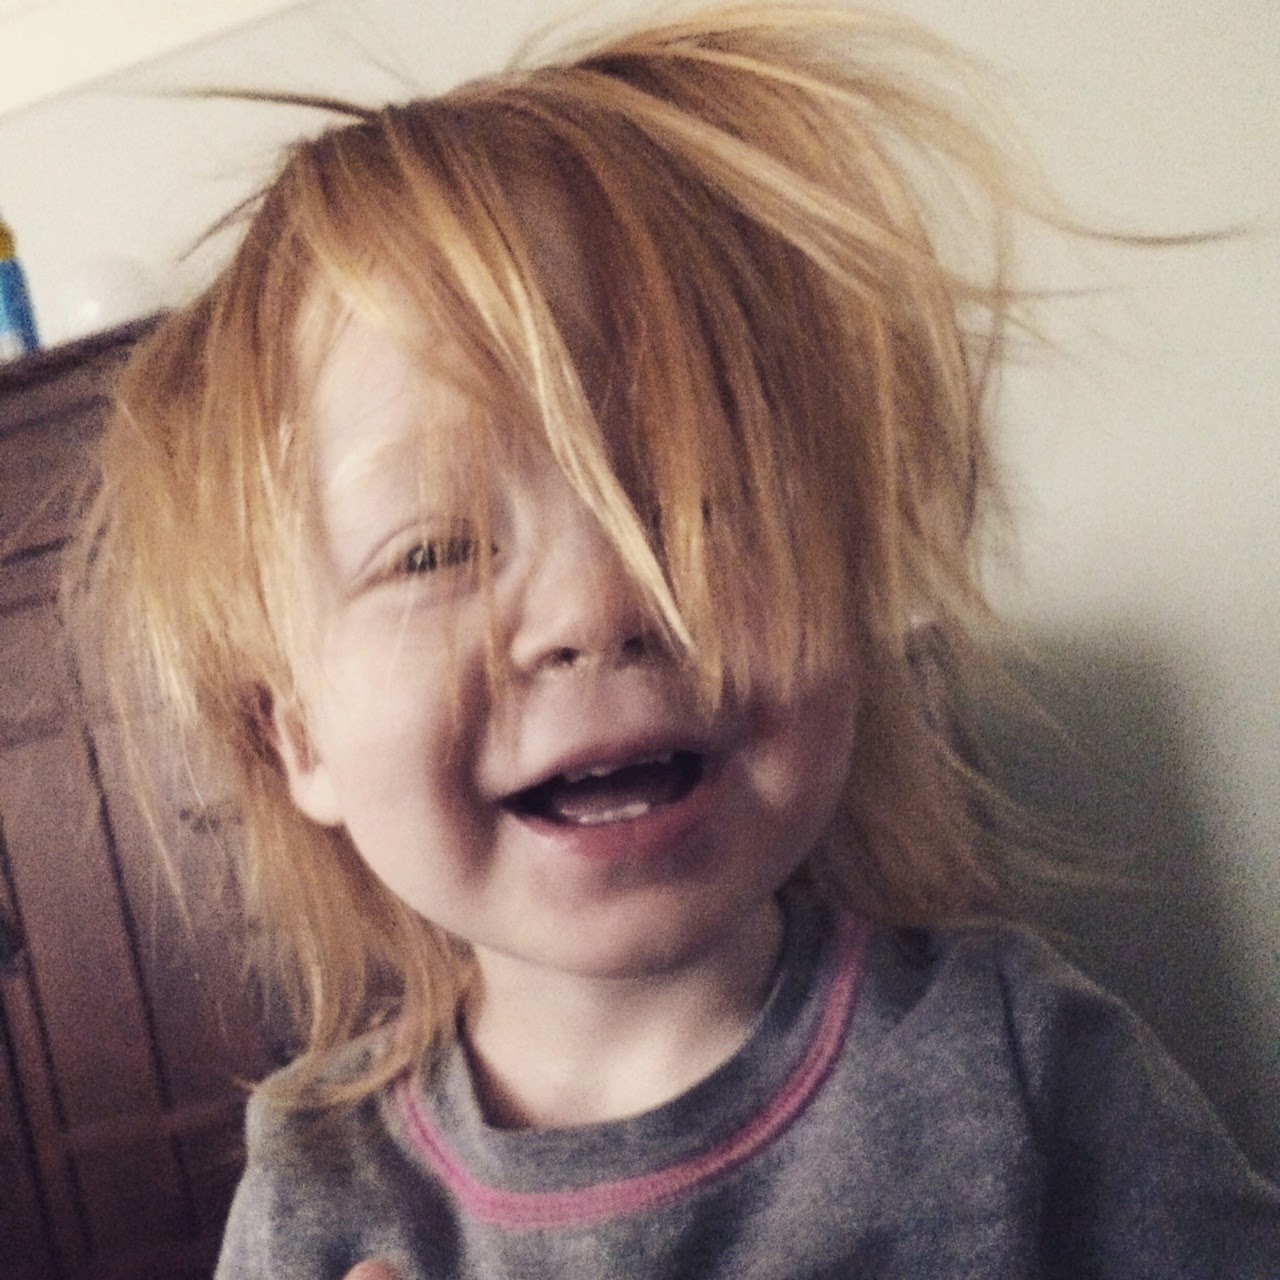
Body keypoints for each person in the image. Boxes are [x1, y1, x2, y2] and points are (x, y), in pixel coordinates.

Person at [75, 4, 1279, 1277]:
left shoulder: (1012, 1057)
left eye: (700, 501)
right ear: (298, 733)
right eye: (432, 550)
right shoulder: (317, 1189)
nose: (600, 606)